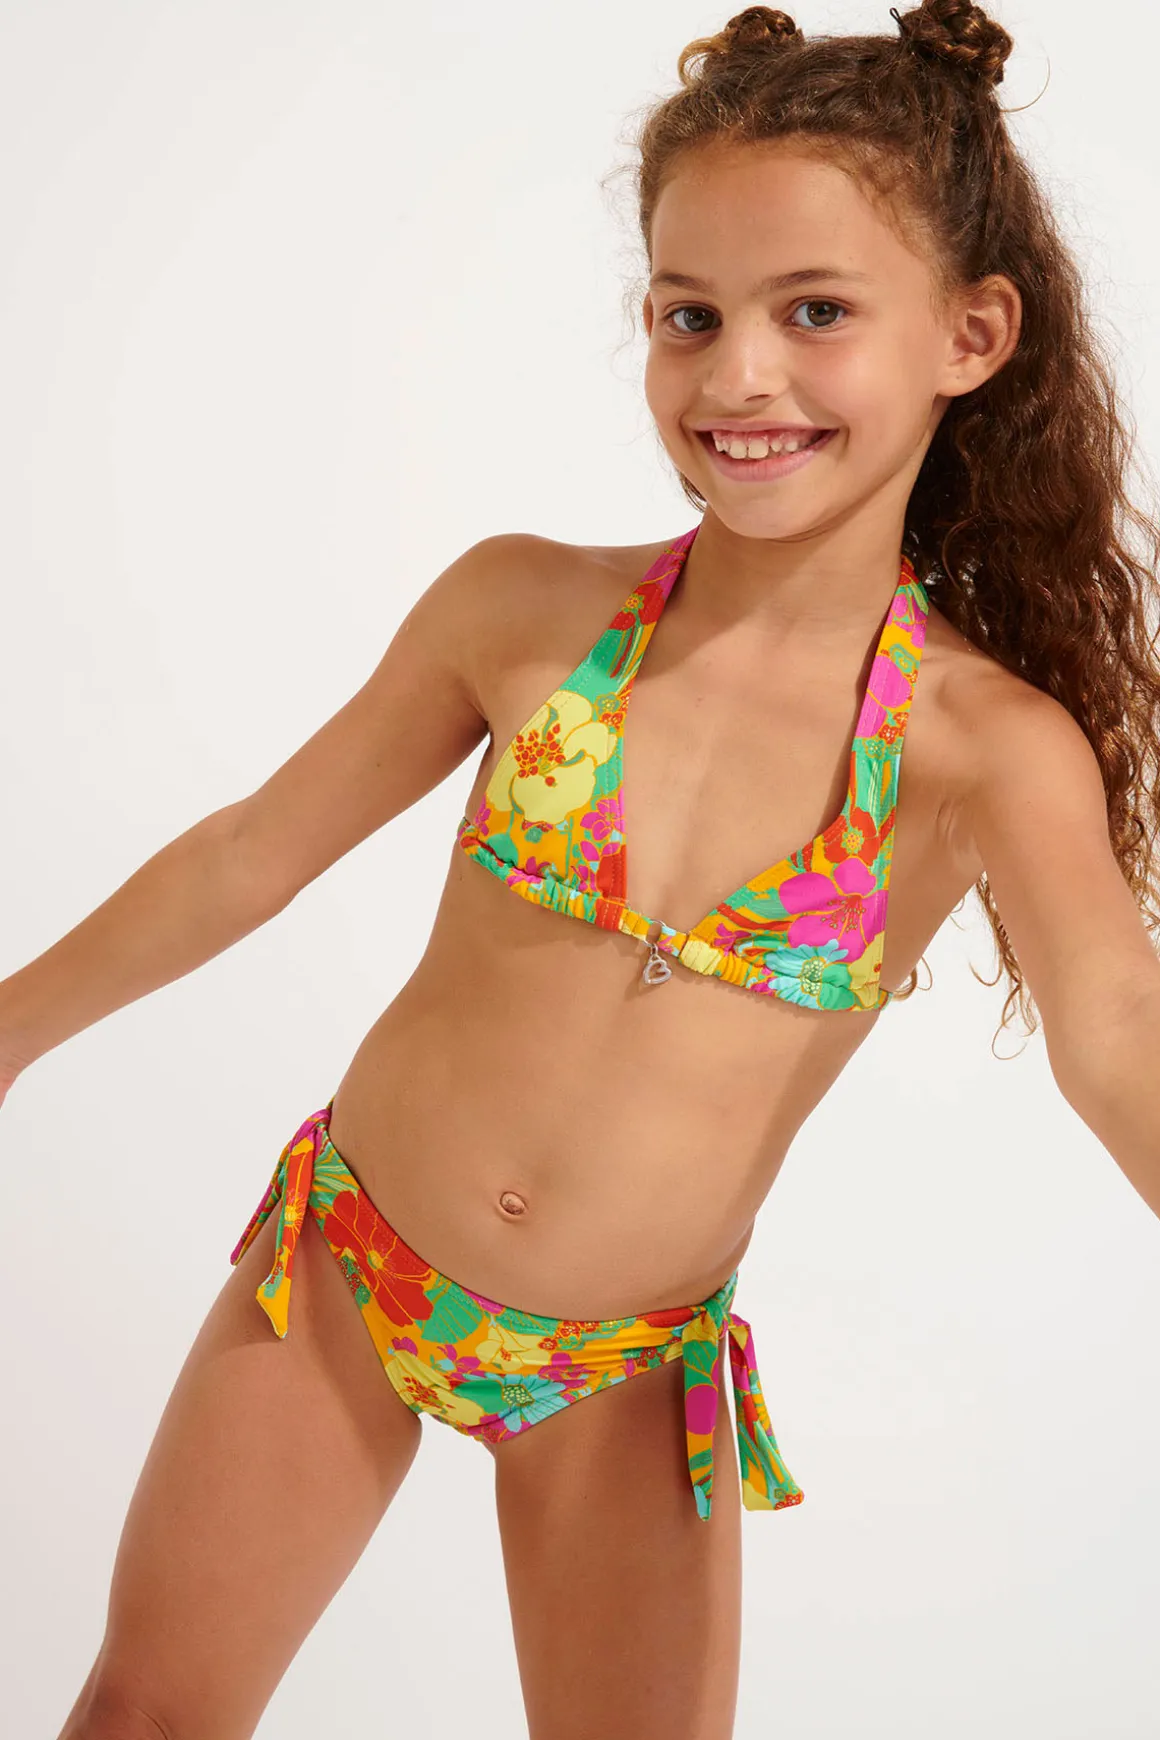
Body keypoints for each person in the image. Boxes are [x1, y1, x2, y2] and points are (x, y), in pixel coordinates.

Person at [5, 3, 1160, 1736]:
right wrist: (9, 1028)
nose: (738, 377)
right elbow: (251, 853)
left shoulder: (981, 747)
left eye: (815, 313)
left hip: (623, 1373)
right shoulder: (527, 610)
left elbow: (1118, 1029)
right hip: (350, 1267)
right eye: (690, 315)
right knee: (144, 1716)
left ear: (970, 335)